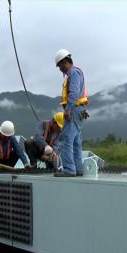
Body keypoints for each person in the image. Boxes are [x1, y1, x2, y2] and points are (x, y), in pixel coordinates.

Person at [53, 49, 89, 177]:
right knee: (75, 142)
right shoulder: (76, 72)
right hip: (79, 110)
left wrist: (67, 109)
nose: (60, 69)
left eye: (59, 65)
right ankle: (78, 169)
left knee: (65, 140)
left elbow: (73, 92)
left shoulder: (73, 73)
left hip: (74, 110)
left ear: (64, 61)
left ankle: (69, 169)